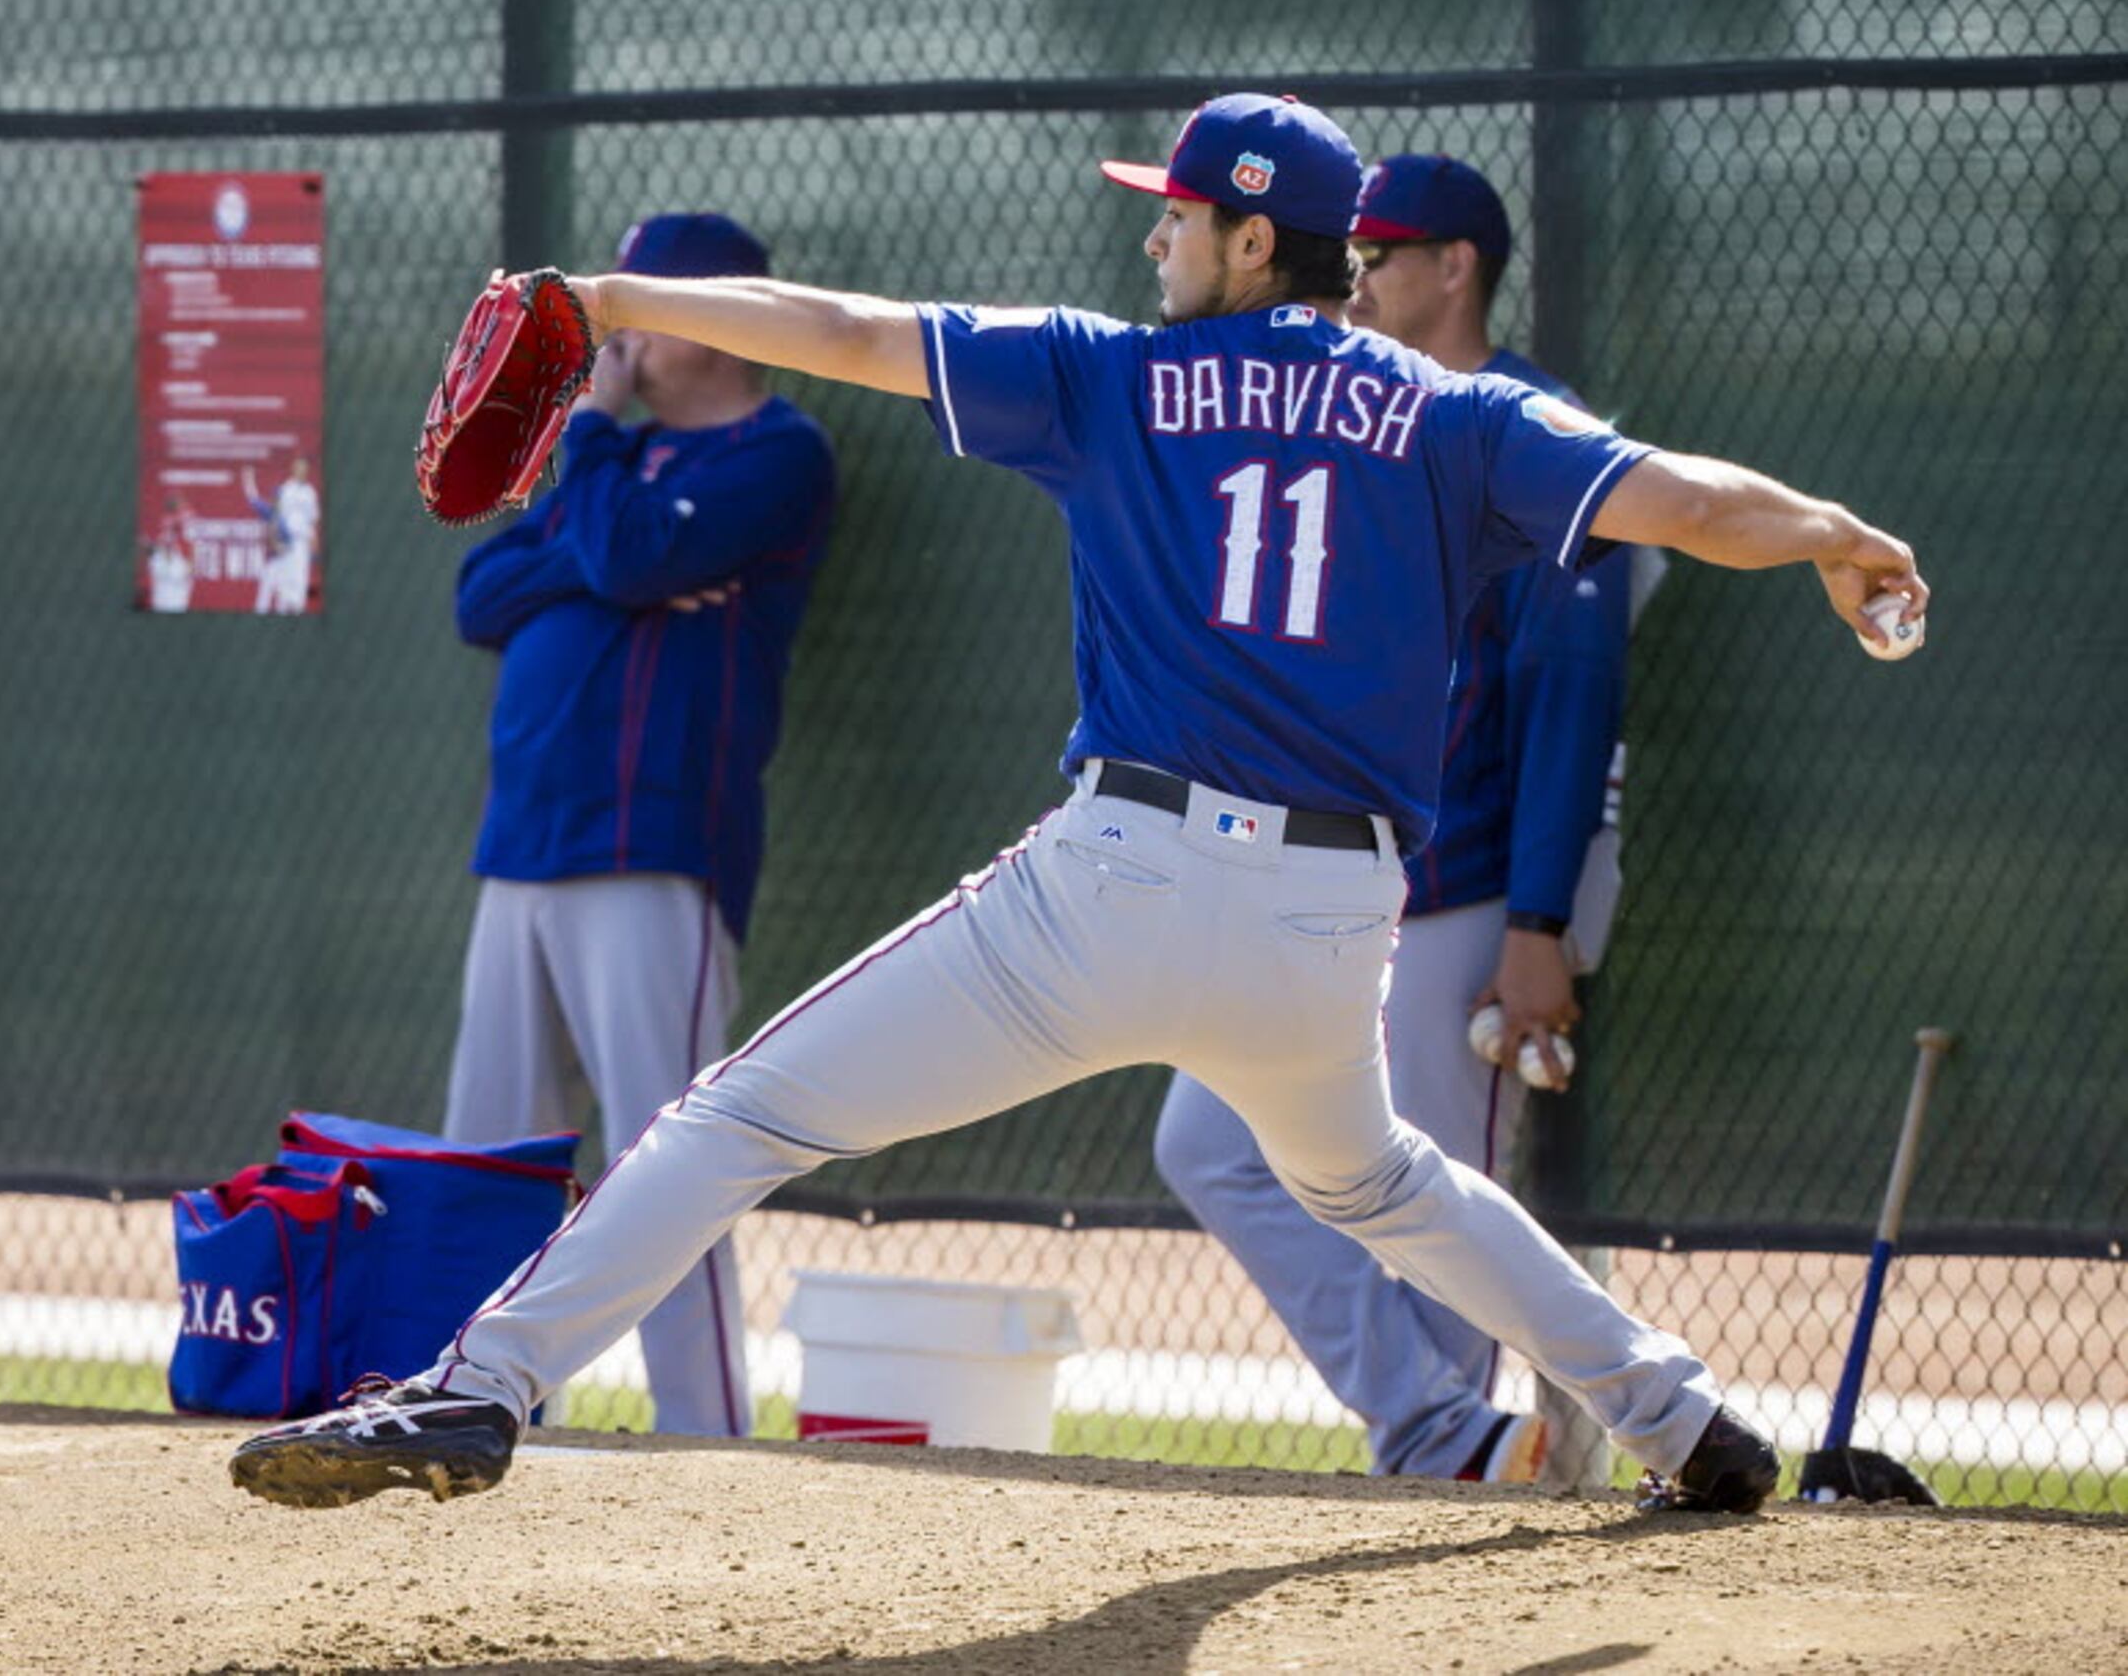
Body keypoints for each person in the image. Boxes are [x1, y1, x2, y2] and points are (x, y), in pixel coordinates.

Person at [225, 93, 1926, 1514]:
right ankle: (1682, 1416)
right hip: (1333, 923)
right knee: (1386, 1181)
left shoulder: (1105, 374)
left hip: (1118, 882)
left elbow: (840, 331)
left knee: (741, 1116)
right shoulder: (1452, 411)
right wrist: (1837, 532)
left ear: (1258, 240)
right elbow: (1681, 499)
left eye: (1177, 215)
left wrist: (609, 296)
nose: (1151, 241)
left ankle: (483, 1384)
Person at [1153, 154, 1637, 1484]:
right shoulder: (1358, 408)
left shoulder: (1530, 422)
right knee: (1204, 1139)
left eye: (1380, 255)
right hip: (1317, 882)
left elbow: (1572, 687)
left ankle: (1448, 1456)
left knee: (1427, 1206)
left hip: (1466, 879)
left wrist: (1540, 919)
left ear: (1456, 266)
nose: (1354, 277)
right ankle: (1444, 1430)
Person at [439, 213, 837, 1438]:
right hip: (526, 846)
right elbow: (481, 592)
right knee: (488, 1163)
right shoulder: (622, 462)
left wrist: (603, 503)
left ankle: (705, 1437)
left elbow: (603, 560)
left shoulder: (780, 454)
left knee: (667, 1164)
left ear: (716, 316)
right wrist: (618, 554)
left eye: (636, 306)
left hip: (655, 848)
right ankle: (479, 1407)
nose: (611, 337)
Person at [249, 458, 322, 614]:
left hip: (302, 541)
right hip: (286, 541)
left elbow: (313, 519)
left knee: (300, 581)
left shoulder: (310, 492)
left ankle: (298, 614)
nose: (301, 471)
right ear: (293, 469)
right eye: (298, 468)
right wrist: (275, 540)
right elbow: (275, 517)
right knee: (284, 584)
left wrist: (314, 539)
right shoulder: (285, 489)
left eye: (304, 468)